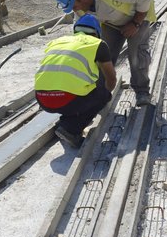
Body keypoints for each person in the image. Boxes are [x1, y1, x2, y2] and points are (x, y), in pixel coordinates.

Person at [53, 0, 156, 107]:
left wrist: (135, 23)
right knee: (103, 54)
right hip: (112, 23)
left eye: (74, 6)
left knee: (136, 54)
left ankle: (142, 91)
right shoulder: (80, 10)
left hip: (139, 15)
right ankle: (100, 94)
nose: (74, 10)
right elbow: (81, 36)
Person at [35, 14, 117, 148]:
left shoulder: (57, 41)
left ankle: (68, 117)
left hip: (42, 100)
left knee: (75, 92)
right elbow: (111, 78)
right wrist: (105, 96)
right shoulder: (98, 44)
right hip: (67, 101)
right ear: (97, 33)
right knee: (103, 94)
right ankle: (70, 129)